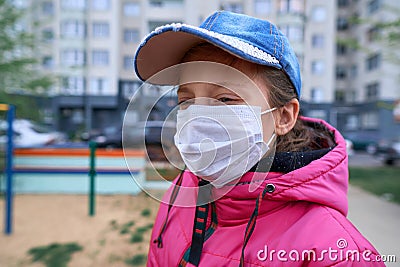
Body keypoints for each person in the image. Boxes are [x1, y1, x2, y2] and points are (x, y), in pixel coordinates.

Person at [134, 11, 384, 267]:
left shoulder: (337, 255)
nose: (199, 117)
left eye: (225, 99)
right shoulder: (179, 195)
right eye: (186, 100)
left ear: (284, 117)